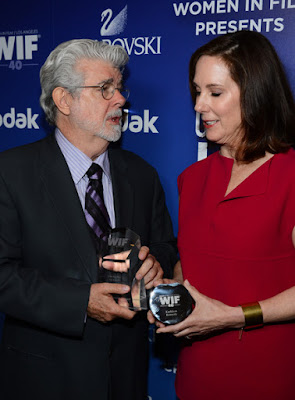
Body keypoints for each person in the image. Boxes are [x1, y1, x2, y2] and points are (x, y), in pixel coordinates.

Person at [0, 39, 178, 400]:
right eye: (105, 89)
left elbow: (164, 246)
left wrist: (155, 265)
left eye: (119, 88)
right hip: (44, 378)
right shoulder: (10, 173)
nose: (122, 100)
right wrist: (80, 301)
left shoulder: (142, 175)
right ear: (64, 100)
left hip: (125, 378)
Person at [153, 30, 295, 399]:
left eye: (215, 93)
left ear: (255, 94)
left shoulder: (290, 176)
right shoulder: (193, 177)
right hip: (196, 377)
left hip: (270, 379)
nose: (200, 105)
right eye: (196, 92)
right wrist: (171, 293)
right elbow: (194, 263)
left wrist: (233, 316)